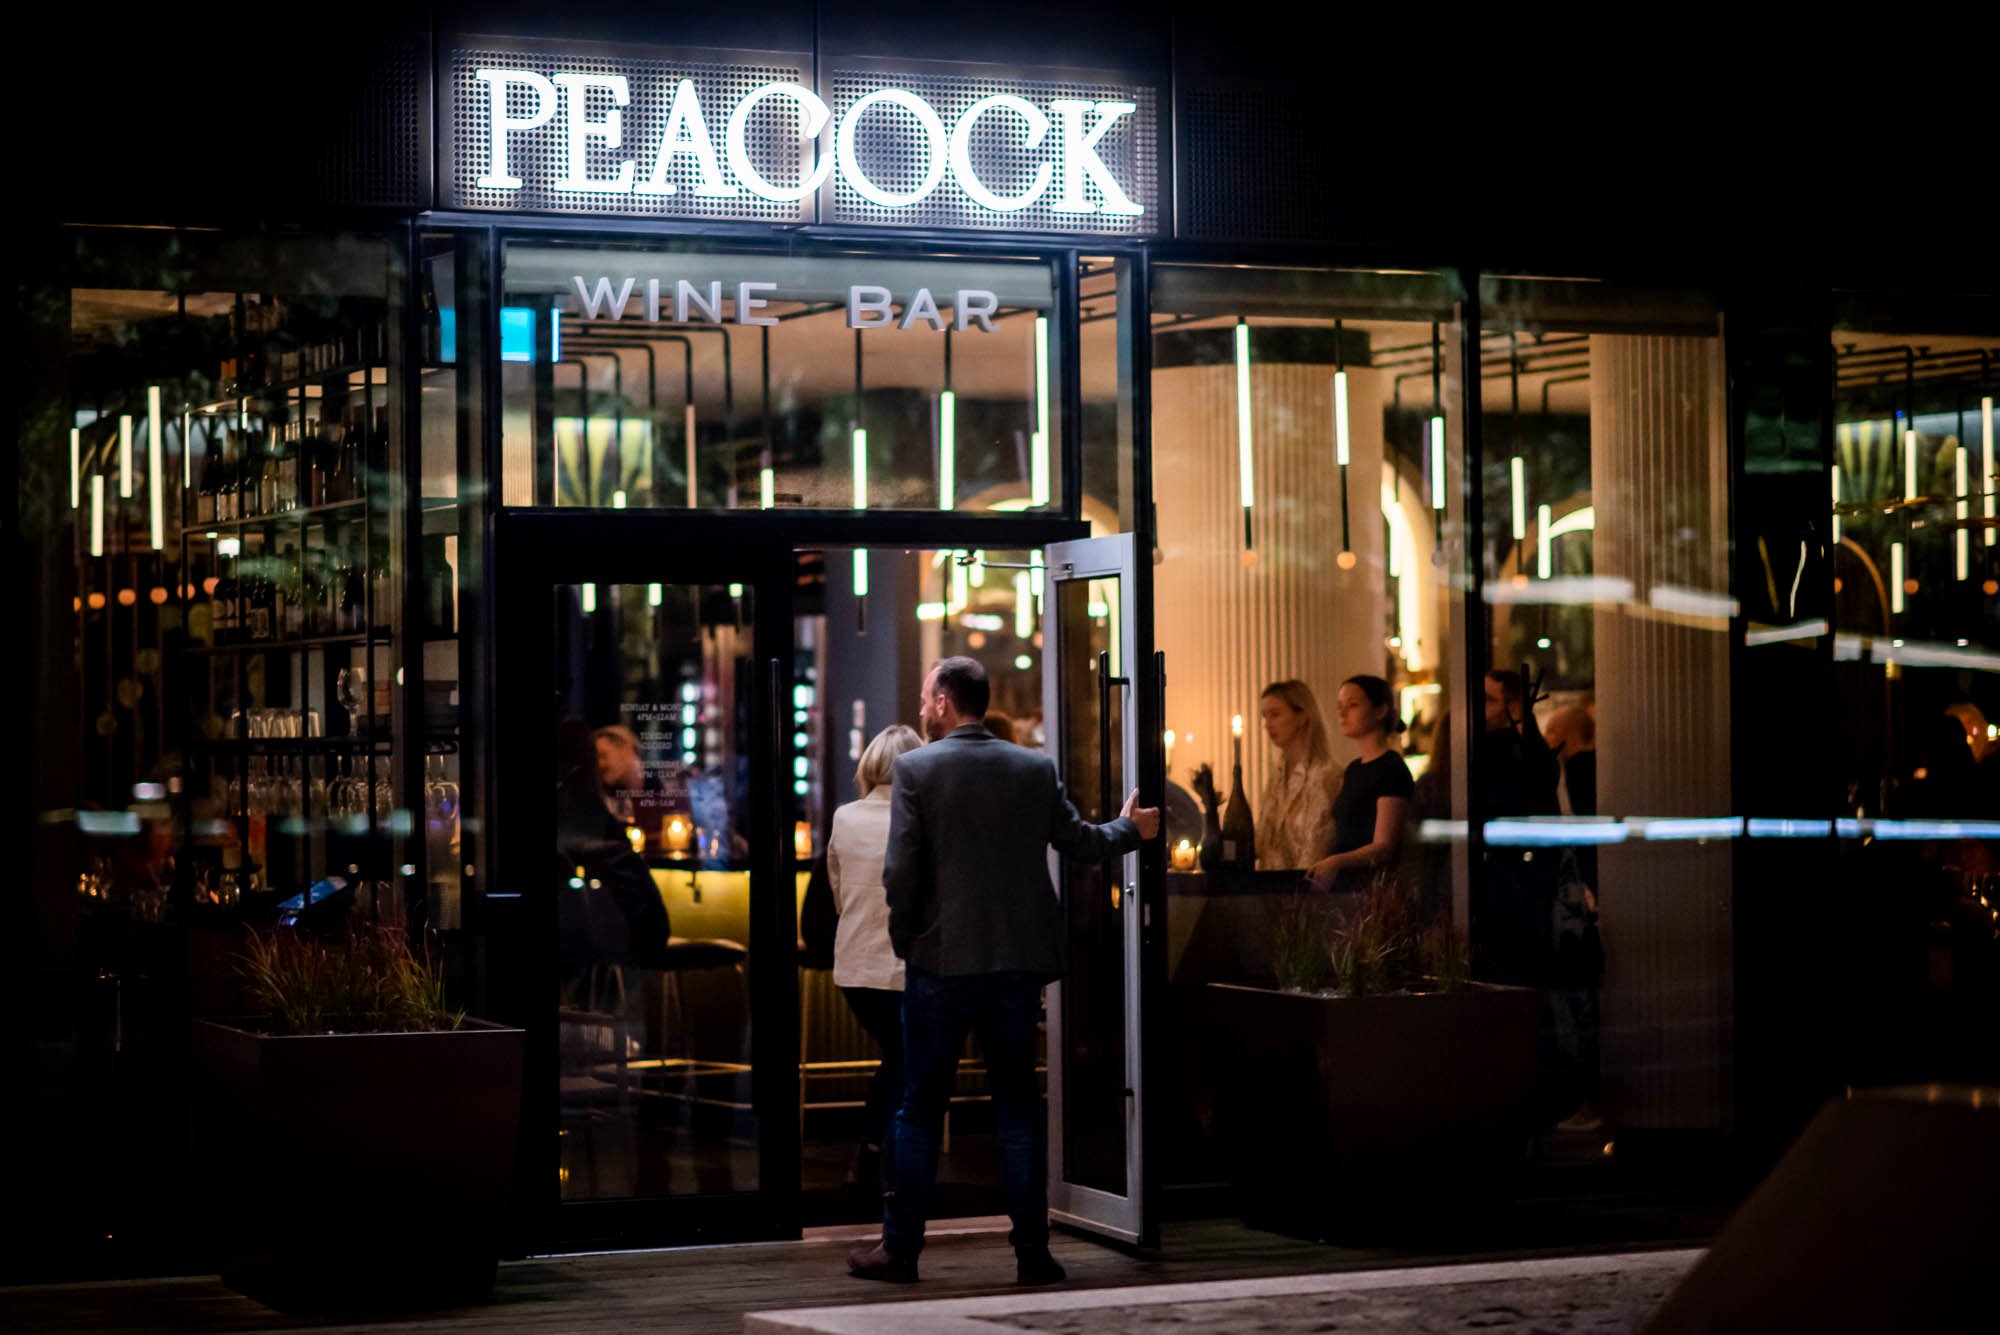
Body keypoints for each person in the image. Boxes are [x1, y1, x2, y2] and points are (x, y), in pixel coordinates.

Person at [847, 656, 1159, 1287]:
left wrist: (908, 938)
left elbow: (900, 871)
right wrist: (1130, 829)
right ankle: (1033, 1255)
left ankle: (900, 1251)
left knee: (918, 1107)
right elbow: (1078, 844)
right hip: (1017, 965)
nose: (920, 706)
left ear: (943, 701)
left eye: (926, 694)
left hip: (940, 962)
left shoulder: (916, 769)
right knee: (1018, 1110)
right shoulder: (1032, 767)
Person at [826, 724, 924, 1195]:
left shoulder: (844, 817)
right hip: (903, 965)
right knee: (908, 1057)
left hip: (854, 967)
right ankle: (880, 1157)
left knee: (901, 1056)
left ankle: (872, 1155)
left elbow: (839, 895)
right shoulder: (922, 818)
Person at [1307, 676, 1413, 895]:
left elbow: (1384, 847)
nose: (1343, 713)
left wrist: (1336, 862)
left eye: (1353, 705)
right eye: (1340, 707)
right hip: (1345, 886)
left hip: (1371, 890)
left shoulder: (1391, 769)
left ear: (1380, 710)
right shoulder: (1354, 769)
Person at [1255, 680, 1340, 870]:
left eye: (1275, 715)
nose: (1267, 725)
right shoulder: (1276, 779)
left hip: (1302, 892)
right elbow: (1261, 843)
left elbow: (1317, 848)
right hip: (1267, 889)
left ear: (1302, 716)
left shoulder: (1326, 777)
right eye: (1264, 717)